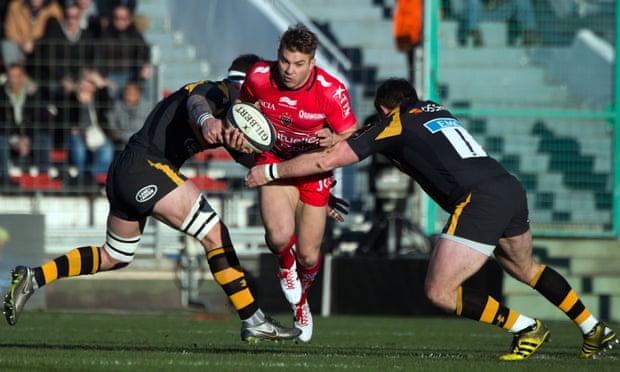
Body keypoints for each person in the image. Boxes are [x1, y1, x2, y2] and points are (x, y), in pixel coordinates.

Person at [245, 77, 619, 359]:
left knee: (439, 292)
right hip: (508, 188)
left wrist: (272, 173)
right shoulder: (435, 110)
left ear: (383, 111)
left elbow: (330, 160)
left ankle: (527, 327)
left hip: (479, 200)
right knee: (526, 269)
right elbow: (398, 148)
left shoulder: (395, 122)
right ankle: (593, 327)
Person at [2, 53, 301, 342]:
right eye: (254, 89)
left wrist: (303, 179)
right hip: (146, 167)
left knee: (115, 256)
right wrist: (208, 121)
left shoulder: (230, 113)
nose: (256, 100)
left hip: (127, 168)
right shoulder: (215, 91)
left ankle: (34, 277)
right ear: (242, 82)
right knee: (214, 234)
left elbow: (255, 164)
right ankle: (254, 320)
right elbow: (198, 104)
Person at [239, 24, 358, 343]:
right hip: (274, 162)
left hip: (313, 171)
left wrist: (334, 136)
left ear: (313, 63)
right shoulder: (258, 76)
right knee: (279, 237)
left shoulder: (331, 91)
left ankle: (301, 303)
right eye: (285, 61)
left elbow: (351, 133)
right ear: (277, 57)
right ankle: (283, 268)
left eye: (298, 63)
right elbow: (245, 111)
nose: (290, 70)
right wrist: (243, 135)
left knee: (308, 255)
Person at [0, 62, 54, 183]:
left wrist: (27, 139)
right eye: (11, 76)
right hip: (8, 137)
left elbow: (40, 120)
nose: (14, 80)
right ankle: (4, 181)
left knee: (43, 140)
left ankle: (43, 179)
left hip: (30, 136)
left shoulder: (33, 94)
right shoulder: (2, 95)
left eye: (17, 76)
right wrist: (14, 140)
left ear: (22, 77)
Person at [59, 69, 114, 185]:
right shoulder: (70, 98)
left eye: (92, 82)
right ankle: (83, 178)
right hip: (77, 134)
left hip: (95, 133)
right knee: (78, 148)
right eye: (87, 81)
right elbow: (63, 117)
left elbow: (109, 104)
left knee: (106, 148)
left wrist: (100, 84)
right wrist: (72, 129)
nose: (89, 85)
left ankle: (96, 179)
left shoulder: (98, 99)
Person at [96, 3, 151, 101]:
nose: (120, 21)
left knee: (145, 86)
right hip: (112, 76)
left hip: (133, 75)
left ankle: (147, 114)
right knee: (109, 91)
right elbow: (99, 58)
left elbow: (144, 53)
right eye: (117, 18)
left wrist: (144, 69)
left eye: (123, 18)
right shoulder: (105, 36)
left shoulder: (136, 35)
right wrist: (104, 78)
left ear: (129, 19)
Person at [2, 0, 63, 68]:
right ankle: (14, 75)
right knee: (7, 44)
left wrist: (35, 42)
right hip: (20, 44)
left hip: (41, 46)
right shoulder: (15, 6)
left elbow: (56, 31)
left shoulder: (54, 9)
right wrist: (23, 43)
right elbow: (10, 30)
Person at [451, 0, 538, 47]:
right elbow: (459, 8)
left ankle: (528, 34)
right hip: (474, 12)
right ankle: (476, 34)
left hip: (496, 9)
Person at [107, 79, 150, 155]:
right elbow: (111, 122)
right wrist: (114, 131)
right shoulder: (117, 106)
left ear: (138, 94)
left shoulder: (146, 108)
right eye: (126, 91)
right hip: (121, 142)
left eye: (132, 92)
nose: (128, 94)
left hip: (139, 142)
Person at [393, 0, 423, 86]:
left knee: (414, 66)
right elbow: (400, 15)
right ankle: (414, 87)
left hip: (416, 33)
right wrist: (399, 35)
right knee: (412, 67)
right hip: (411, 34)